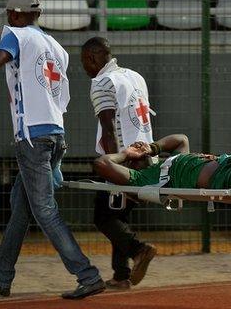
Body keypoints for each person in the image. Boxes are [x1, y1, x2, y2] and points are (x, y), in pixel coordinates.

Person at [0, 0, 105, 299]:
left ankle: (87, 274)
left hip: (31, 138)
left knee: (44, 210)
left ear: (15, 15)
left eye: (8, 15)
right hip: (55, 134)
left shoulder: (16, 36)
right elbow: (60, 99)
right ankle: (2, 271)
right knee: (21, 207)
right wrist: (56, 158)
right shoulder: (57, 48)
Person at [81, 37, 157, 290]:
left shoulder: (102, 82)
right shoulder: (134, 76)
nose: (84, 68)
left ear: (92, 58)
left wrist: (116, 168)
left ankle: (139, 250)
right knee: (118, 216)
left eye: (84, 61)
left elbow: (108, 129)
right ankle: (121, 275)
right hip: (146, 156)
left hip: (124, 159)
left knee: (104, 218)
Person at [93, 134, 231, 190]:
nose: (138, 147)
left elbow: (181, 139)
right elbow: (102, 164)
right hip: (224, 177)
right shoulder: (142, 178)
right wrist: (126, 153)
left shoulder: (169, 159)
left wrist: (152, 148)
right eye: (137, 152)